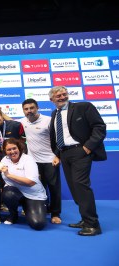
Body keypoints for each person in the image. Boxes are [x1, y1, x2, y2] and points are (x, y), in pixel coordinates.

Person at [49, 86, 106, 236]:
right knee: (74, 188)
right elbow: (55, 136)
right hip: (64, 154)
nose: (62, 97)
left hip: (80, 152)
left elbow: (99, 126)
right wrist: (57, 154)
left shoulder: (83, 107)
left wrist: (88, 146)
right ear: (51, 100)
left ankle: (93, 225)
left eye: (64, 94)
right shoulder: (54, 113)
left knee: (81, 186)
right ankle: (84, 219)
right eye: (58, 96)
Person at [20, 98, 62, 224]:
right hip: (33, 162)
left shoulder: (48, 121)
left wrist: (57, 156)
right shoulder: (23, 122)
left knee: (54, 187)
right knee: (38, 187)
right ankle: (42, 210)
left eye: (32, 108)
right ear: (23, 111)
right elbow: (9, 121)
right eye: (26, 109)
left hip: (50, 160)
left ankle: (55, 213)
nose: (29, 111)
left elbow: (59, 139)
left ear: (37, 108)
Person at [0, 138, 47, 230]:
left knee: (38, 224)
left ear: (19, 148)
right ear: (5, 151)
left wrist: (9, 175)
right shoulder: (4, 160)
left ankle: (27, 206)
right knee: (8, 193)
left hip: (34, 195)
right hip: (16, 193)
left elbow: (31, 182)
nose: (12, 152)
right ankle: (13, 215)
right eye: (9, 150)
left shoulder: (28, 160)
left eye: (14, 148)